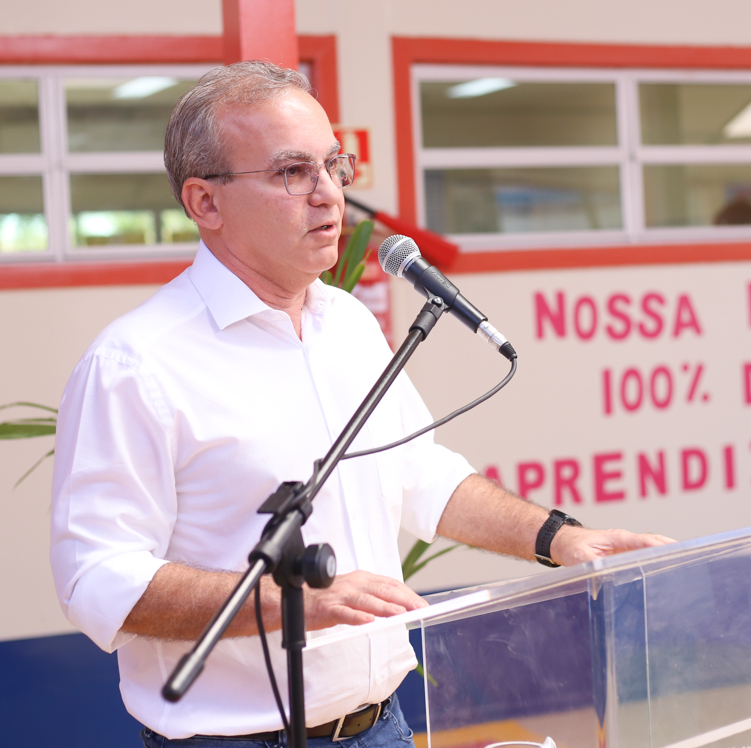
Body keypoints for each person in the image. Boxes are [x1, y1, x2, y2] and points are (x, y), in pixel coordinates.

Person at [49, 61, 669, 747]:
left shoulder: (344, 323)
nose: (329, 195)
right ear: (205, 202)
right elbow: (96, 578)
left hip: (382, 725)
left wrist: (559, 538)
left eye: (333, 165)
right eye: (292, 172)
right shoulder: (136, 364)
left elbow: (418, 475)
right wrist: (288, 604)